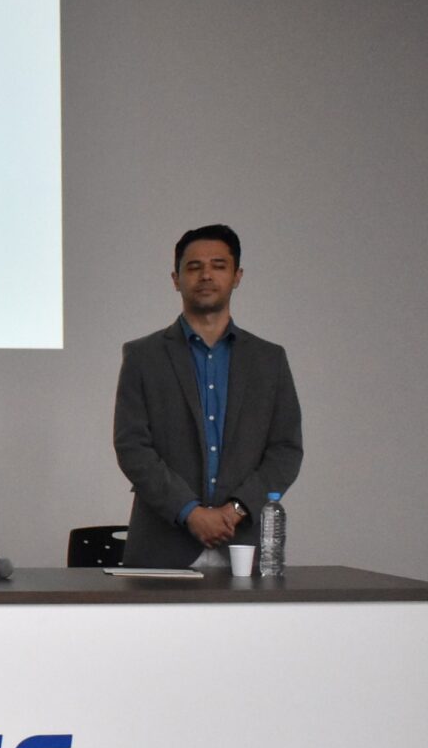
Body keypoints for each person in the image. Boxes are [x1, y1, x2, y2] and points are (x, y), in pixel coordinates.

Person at [113, 224, 303, 568]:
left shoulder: (269, 360)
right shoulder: (143, 356)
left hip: (244, 545)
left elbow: (285, 450)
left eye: (218, 266)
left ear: (237, 276)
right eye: (194, 267)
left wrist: (236, 509)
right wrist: (189, 512)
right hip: (163, 547)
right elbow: (132, 447)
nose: (206, 275)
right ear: (176, 279)